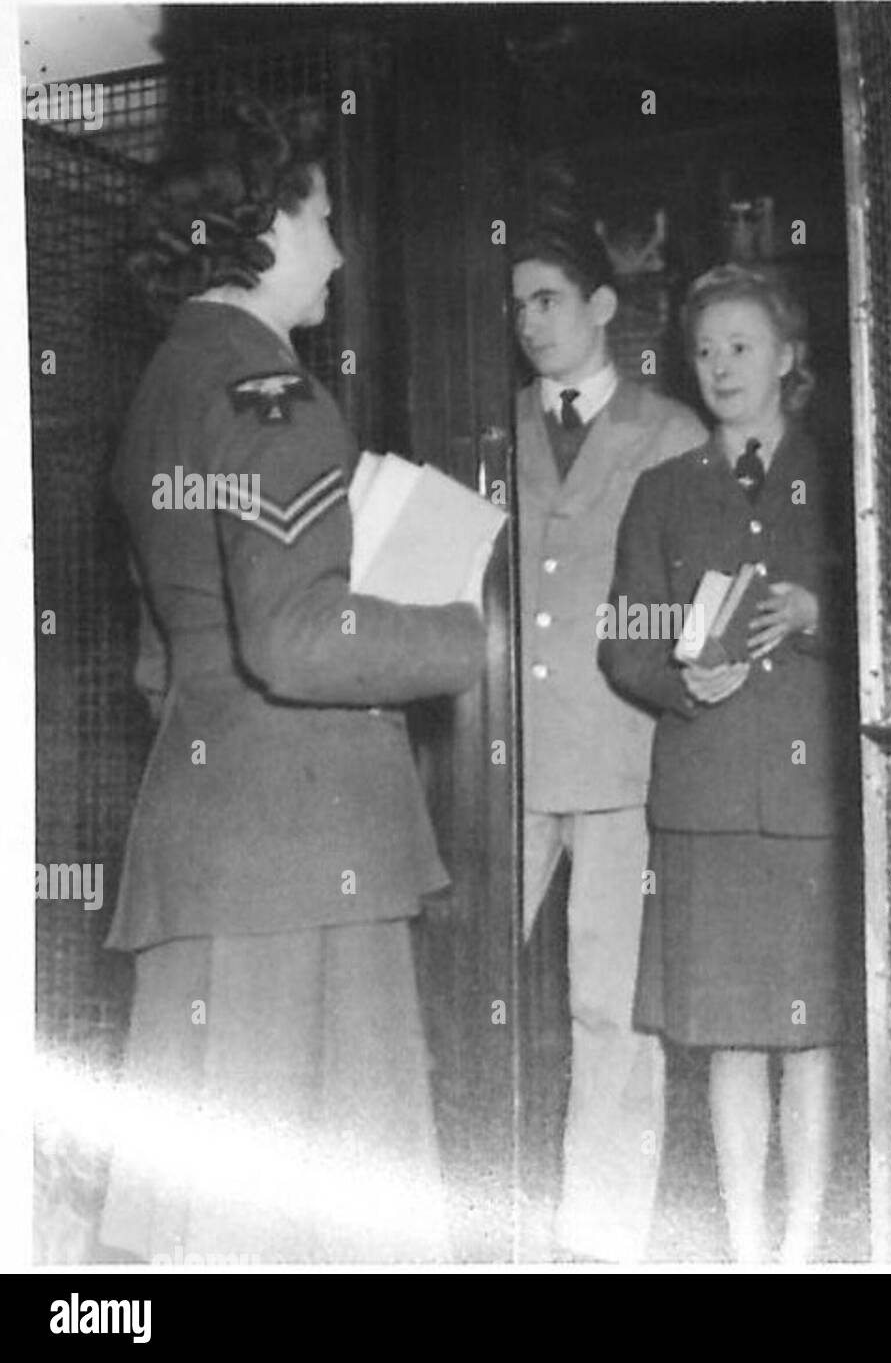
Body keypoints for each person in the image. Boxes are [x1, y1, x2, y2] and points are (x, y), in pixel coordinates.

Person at [98, 96, 487, 1263]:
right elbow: (296, 639)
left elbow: (164, 660)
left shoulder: (167, 385)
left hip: (209, 835)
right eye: (324, 218)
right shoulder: (272, 395)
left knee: (214, 1221)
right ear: (260, 225)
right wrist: (461, 637)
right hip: (303, 853)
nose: (340, 249)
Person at [599, 263, 860, 1264]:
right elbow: (620, 639)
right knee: (728, 1033)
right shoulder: (661, 493)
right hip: (705, 802)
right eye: (705, 350)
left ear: (789, 359)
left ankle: (800, 1249)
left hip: (811, 804)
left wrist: (815, 613)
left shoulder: (843, 481)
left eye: (741, 346)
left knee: (812, 1033)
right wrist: (676, 680)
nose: (719, 367)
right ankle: (751, 1252)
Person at [512, 215, 707, 1260]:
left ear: (599, 305)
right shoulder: (487, 428)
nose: (528, 320)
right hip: (501, 760)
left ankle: (599, 1237)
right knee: (472, 977)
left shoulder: (668, 431)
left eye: (547, 297)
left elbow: (703, 593)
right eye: (516, 304)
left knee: (609, 1006)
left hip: (623, 759)